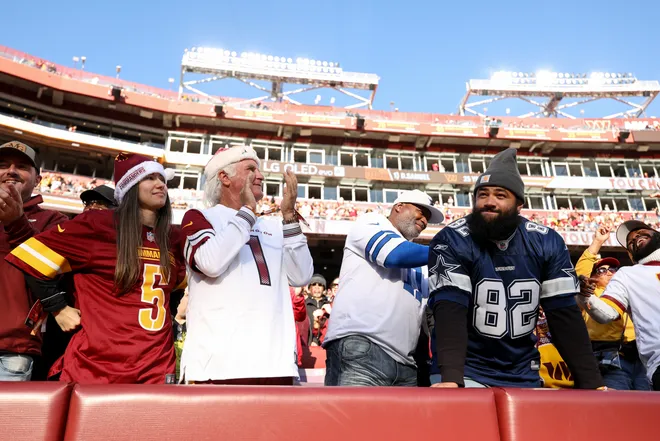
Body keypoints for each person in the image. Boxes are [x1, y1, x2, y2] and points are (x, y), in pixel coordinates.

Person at [428, 148, 603, 389]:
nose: (489, 202)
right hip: (467, 368)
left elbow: (563, 316)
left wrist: (592, 383)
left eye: (500, 195)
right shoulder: (452, 239)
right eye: (482, 195)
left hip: (522, 369)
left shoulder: (546, 241)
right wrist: (450, 378)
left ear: (519, 204)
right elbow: (450, 310)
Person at [6, 152, 187, 384]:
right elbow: (29, 257)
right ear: (130, 185)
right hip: (99, 365)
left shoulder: (173, 237)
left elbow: (176, 289)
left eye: (162, 179)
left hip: (156, 366)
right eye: (149, 178)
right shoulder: (98, 224)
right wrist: (58, 307)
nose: (160, 184)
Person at [179, 145, 313, 385]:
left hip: (275, 364)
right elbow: (210, 263)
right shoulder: (199, 217)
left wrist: (290, 217)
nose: (260, 175)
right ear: (224, 177)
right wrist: (248, 212)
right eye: (251, 169)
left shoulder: (273, 226)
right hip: (220, 366)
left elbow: (302, 275)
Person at [323, 189, 444, 387]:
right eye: (421, 211)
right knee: (355, 418)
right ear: (399, 206)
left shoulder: (422, 260)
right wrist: (449, 251)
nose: (424, 219)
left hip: (406, 362)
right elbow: (393, 255)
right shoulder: (371, 221)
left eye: (428, 217)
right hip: (362, 349)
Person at [0, 141, 69, 381]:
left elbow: (53, 271)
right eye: (3, 165)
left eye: (21, 166)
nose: (10, 171)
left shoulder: (54, 220)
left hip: (13, 349)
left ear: (37, 180)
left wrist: (17, 222)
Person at [578, 220, 660, 390]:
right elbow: (581, 277)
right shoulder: (627, 277)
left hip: (638, 358)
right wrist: (586, 296)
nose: (608, 272)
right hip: (615, 358)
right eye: (601, 270)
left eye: (642, 232)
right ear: (631, 255)